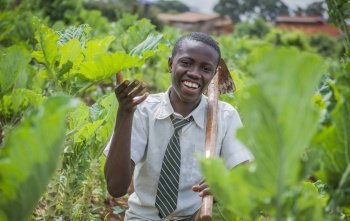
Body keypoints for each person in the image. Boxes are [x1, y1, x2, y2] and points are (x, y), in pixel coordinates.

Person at [104, 32, 253, 221]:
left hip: (198, 217)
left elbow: (244, 179)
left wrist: (225, 184)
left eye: (206, 68)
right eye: (186, 63)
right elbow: (116, 188)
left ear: (214, 74)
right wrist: (124, 114)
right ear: (170, 64)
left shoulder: (225, 116)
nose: (194, 73)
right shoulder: (142, 111)